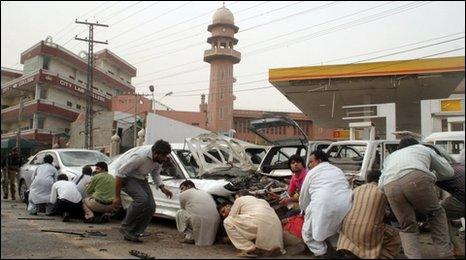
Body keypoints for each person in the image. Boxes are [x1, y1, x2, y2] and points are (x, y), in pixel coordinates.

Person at [379, 137, 454, 258]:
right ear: (416, 144)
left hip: (390, 185)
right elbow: (448, 172)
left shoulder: (391, 157)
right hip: (416, 178)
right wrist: (431, 176)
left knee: (407, 226)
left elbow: (381, 185)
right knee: (436, 214)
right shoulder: (422, 148)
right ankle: (445, 255)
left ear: (399, 148)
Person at [112, 140, 173, 243]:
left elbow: (155, 174)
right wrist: (117, 197)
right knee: (142, 199)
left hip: (141, 178)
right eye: (163, 156)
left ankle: (135, 232)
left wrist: (162, 188)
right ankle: (126, 227)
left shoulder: (159, 160)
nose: (164, 159)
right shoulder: (140, 157)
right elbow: (120, 173)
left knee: (151, 206)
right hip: (127, 177)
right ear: (155, 153)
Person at [299, 149, 352, 257]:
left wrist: (303, 210)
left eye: (311, 161)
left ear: (319, 161)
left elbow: (304, 196)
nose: (309, 164)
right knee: (334, 231)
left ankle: (321, 254)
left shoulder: (312, 173)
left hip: (323, 205)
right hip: (345, 206)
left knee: (308, 233)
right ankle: (339, 250)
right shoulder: (337, 170)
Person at [337, 170, 401, 259]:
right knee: (396, 235)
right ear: (381, 180)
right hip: (368, 231)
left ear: (367, 179)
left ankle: (355, 253)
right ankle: (380, 256)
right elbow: (389, 213)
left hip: (347, 228)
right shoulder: (383, 191)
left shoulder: (356, 190)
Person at [219, 190, 284, 258]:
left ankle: (249, 248)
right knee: (260, 224)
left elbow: (231, 217)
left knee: (227, 221)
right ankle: (268, 248)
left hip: (259, 223)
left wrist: (227, 238)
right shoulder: (263, 201)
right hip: (276, 226)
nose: (223, 215)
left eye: (223, 211)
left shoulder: (239, 200)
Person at [175, 180, 220, 246]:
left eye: (182, 188)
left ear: (188, 186)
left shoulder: (183, 194)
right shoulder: (205, 193)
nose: (181, 191)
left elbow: (183, 209)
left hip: (199, 221)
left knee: (180, 213)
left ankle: (189, 237)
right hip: (215, 223)